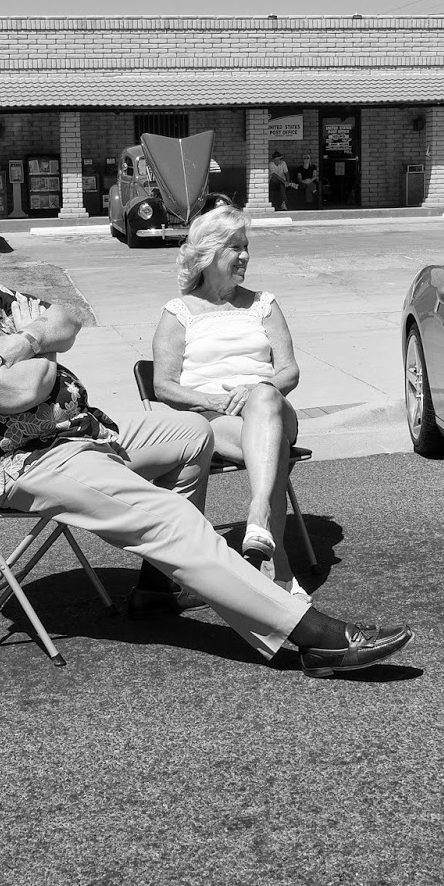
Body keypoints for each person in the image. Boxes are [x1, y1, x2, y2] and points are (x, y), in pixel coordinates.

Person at [0, 194, 414, 677]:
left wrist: (32, 337)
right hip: (24, 462)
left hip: (83, 430)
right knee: (170, 516)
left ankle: (158, 587)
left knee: (188, 434)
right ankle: (310, 635)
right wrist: (37, 341)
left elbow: (68, 319)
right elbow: (20, 392)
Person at [149, 206, 308, 601]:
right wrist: (215, 400)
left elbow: (289, 371)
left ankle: (257, 514)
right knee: (262, 446)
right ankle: (279, 569)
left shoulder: (263, 304)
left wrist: (257, 388)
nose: (245, 256)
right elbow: (163, 385)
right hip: (213, 419)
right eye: (235, 248)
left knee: (266, 394)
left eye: (246, 247)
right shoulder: (178, 313)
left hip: (272, 411)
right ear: (208, 254)